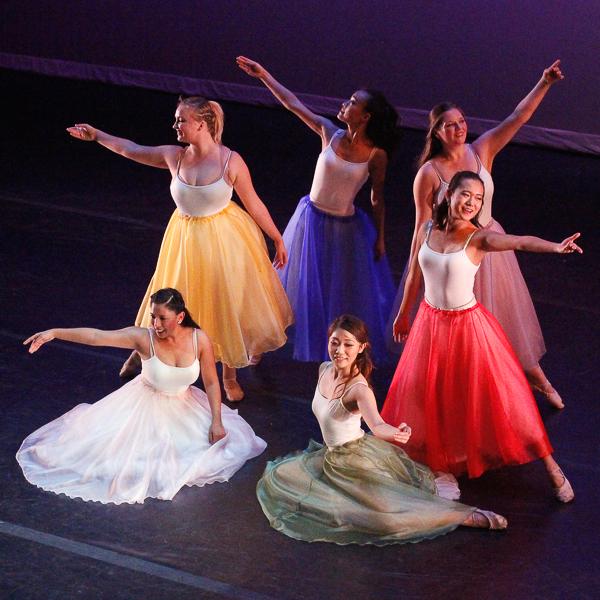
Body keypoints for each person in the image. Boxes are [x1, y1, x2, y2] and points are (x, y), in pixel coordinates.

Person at [66, 96, 293, 402]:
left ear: (201, 123)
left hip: (222, 240)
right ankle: (143, 350)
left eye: (181, 120)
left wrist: (277, 237)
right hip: (184, 237)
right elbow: (131, 149)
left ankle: (229, 374)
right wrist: (98, 136)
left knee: (224, 301)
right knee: (166, 294)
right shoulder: (175, 156)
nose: (175, 126)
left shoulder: (230, 161)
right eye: (175, 120)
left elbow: (253, 202)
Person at [382, 172, 579, 502]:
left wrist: (554, 247)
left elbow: (518, 240)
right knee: (430, 395)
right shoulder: (428, 228)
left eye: (477, 198)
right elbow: (415, 272)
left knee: (504, 398)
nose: (471, 203)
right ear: (450, 194)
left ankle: (551, 467)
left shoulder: (478, 239)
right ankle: (442, 462)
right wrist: (404, 313)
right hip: (430, 325)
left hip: (468, 328)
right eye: (466, 195)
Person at [389, 60, 565, 408]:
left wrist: (544, 82)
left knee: (506, 322)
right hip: (453, 254)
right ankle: (483, 397)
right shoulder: (429, 173)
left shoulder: (481, 149)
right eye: (449, 125)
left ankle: (540, 382)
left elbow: (518, 117)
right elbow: (420, 229)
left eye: (461, 122)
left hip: (487, 245)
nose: (458, 129)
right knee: (465, 336)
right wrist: (414, 283)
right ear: (436, 132)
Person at [256, 314, 508, 546]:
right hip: (331, 458)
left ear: (361, 348)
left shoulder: (359, 389)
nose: (339, 350)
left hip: (355, 459)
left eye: (348, 344)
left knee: (385, 517)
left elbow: (376, 424)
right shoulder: (324, 369)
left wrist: (395, 432)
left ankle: (463, 516)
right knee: (281, 478)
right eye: (334, 342)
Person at [17, 288, 267, 505]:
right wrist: (55, 332)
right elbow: (97, 336)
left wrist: (216, 420)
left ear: (180, 317)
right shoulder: (143, 338)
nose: (156, 324)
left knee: (216, 450)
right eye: (153, 317)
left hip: (186, 408)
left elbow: (212, 382)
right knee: (126, 463)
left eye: (163, 318)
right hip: (144, 407)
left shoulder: (199, 339)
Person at [237, 56, 399, 364]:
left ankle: (347, 355)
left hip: (345, 229)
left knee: (339, 292)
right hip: (309, 221)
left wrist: (380, 237)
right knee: (284, 285)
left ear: (364, 117)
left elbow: (378, 198)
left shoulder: (377, 155)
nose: (344, 104)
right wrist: (264, 75)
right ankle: (260, 341)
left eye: (352, 102)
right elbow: (293, 104)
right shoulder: (329, 133)